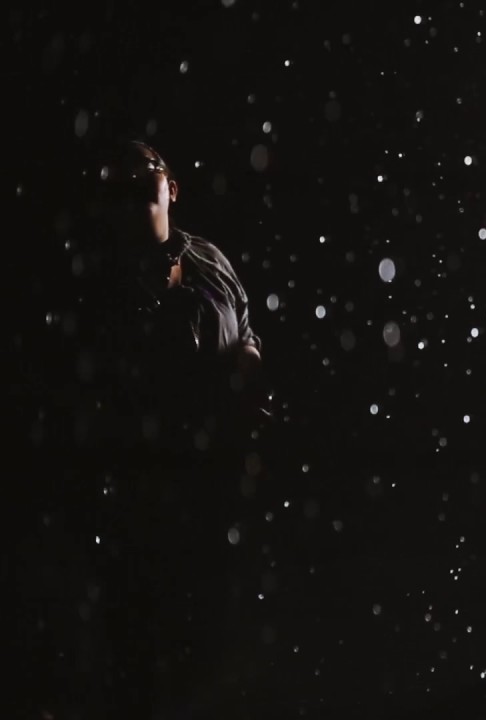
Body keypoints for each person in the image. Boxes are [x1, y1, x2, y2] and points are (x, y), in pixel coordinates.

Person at [68, 139, 269, 716]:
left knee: (214, 634)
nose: (134, 178)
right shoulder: (107, 278)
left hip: (220, 478)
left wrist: (248, 368)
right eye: (121, 175)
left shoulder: (210, 257)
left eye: (145, 170)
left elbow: (247, 328)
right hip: (153, 484)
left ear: (171, 188)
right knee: (153, 637)